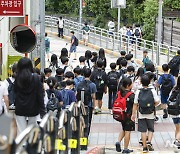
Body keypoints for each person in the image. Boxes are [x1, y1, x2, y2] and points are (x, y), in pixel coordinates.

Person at [14, 57, 46, 135]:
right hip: (33, 108)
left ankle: (22, 145)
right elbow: (39, 95)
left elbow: (15, 92)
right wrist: (42, 110)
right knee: (32, 129)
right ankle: (31, 145)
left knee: (21, 131)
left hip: (20, 107)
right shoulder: (35, 78)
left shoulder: (17, 78)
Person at [131, 75, 160, 153]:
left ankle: (144, 147)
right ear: (149, 82)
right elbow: (157, 101)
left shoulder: (138, 91)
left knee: (143, 131)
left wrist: (133, 114)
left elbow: (135, 103)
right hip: (150, 113)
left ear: (141, 82)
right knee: (151, 129)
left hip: (141, 113)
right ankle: (149, 142)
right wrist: (152, 106)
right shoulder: (152, 90)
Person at [115, 78, 135, 153]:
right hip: (128, 115)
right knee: (128, 131)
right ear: (128, 85)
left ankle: (118, 142)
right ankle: (125, 148)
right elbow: (135, 105)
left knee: (124, 128)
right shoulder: (131, 95)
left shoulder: (119, 92)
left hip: (121, 114)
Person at [76, 68, 97, 135]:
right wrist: (94, 106)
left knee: (80, 119)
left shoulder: (79, 84)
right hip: (89, 105)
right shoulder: (92, 85)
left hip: (80, 104)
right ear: (90, 75)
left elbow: (76, 94)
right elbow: (93, 97)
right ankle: (86, 134)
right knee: (88, 120)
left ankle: (80, 133)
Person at [168, 76, 180, 147]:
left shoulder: (174, 89)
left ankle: (177, 142)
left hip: (173, 112)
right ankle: (176, 141)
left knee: (177, 128)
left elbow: (169, 100)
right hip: (178, 111)